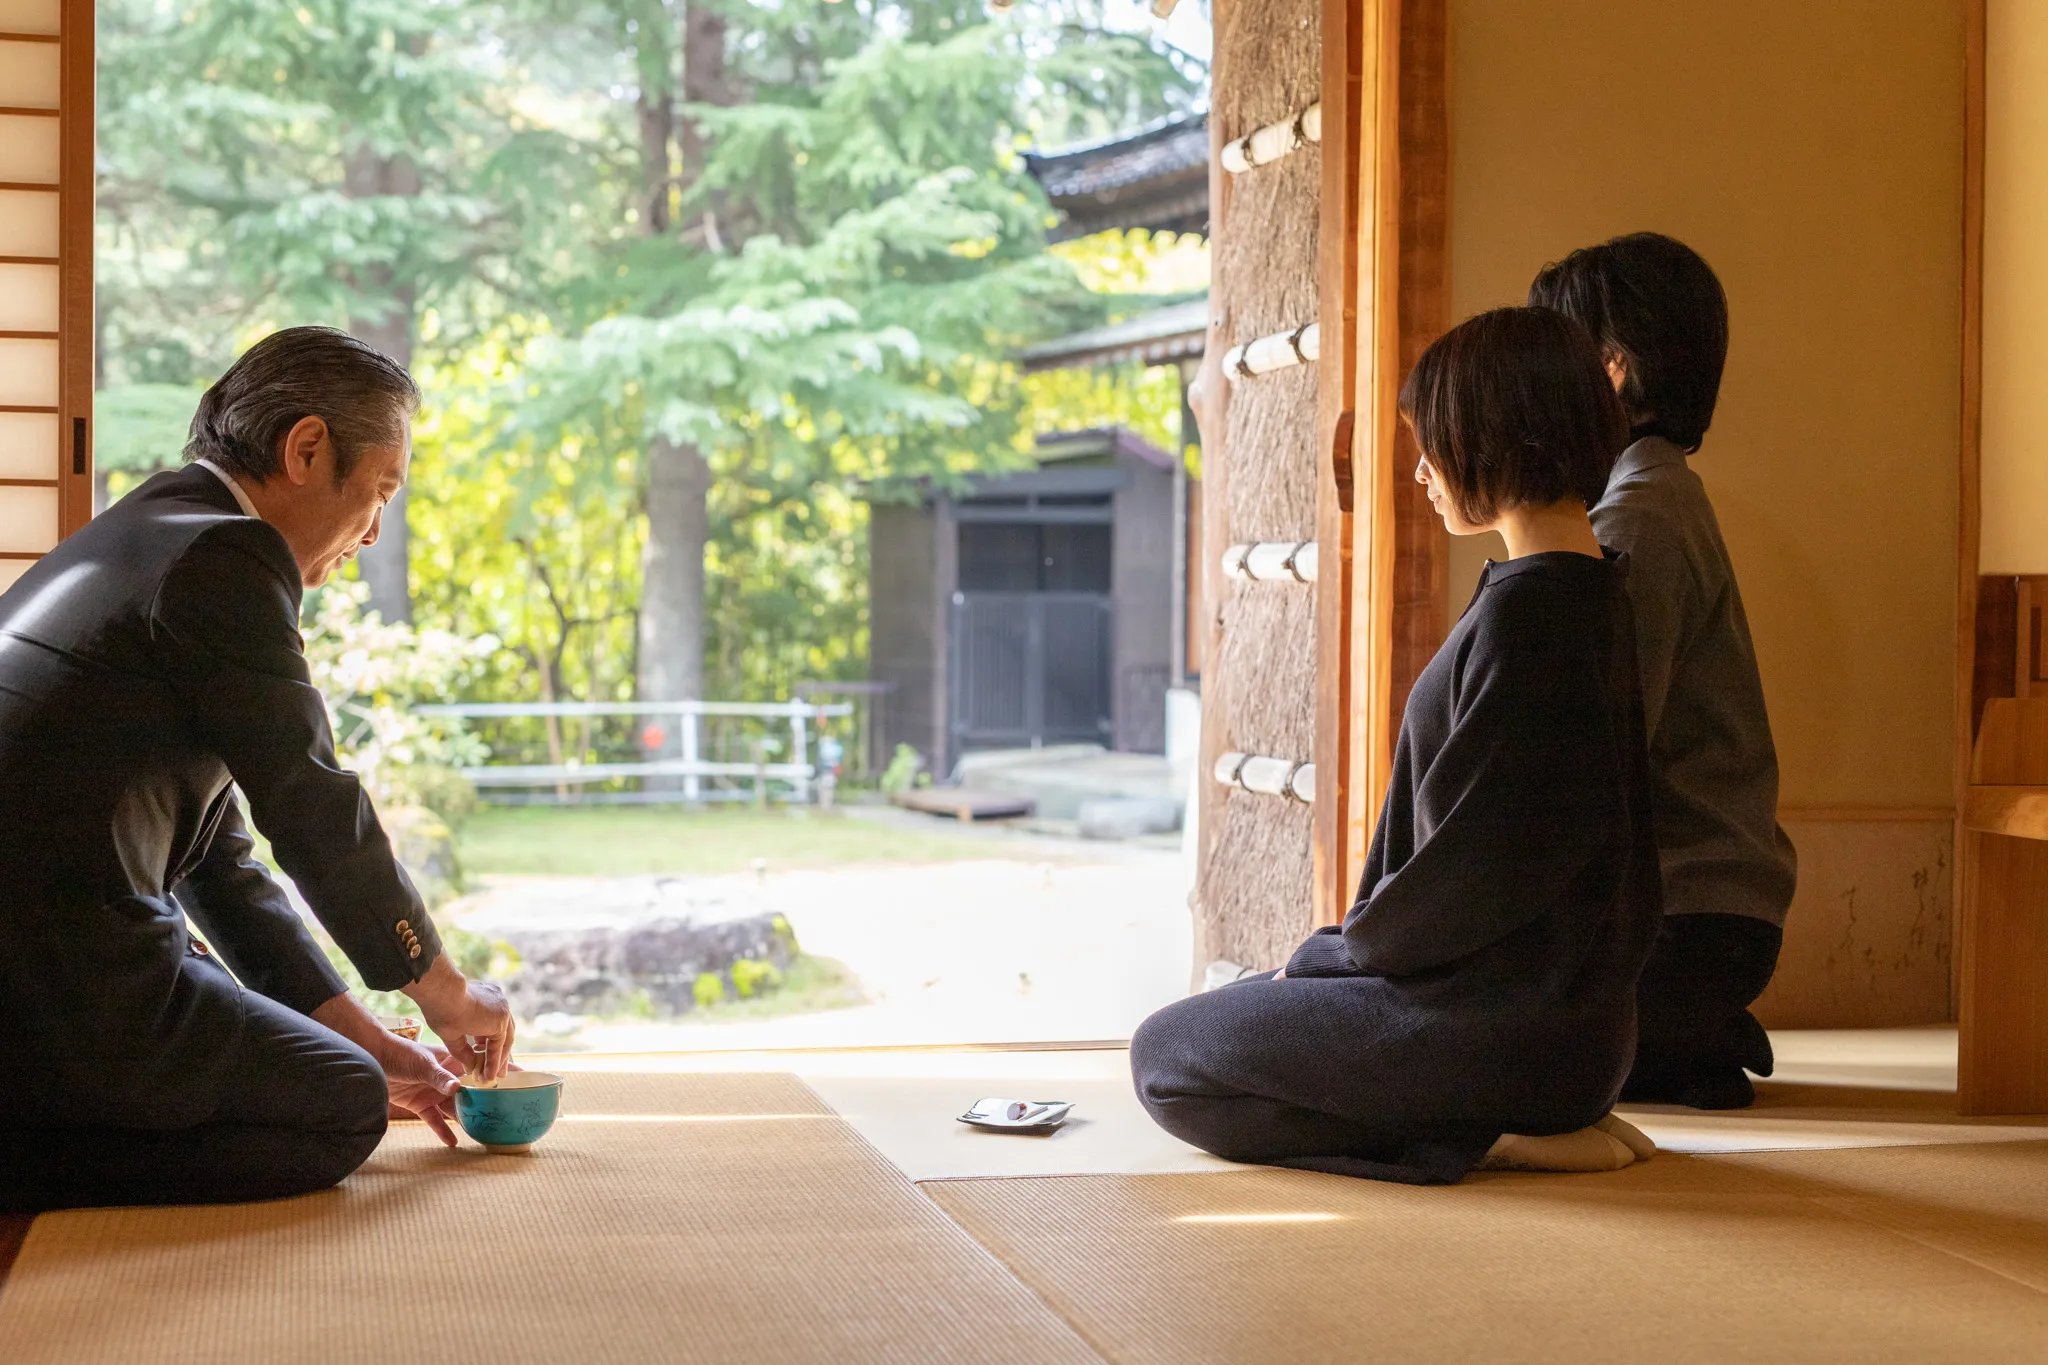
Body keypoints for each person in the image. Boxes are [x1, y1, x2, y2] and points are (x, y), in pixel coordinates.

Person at [1130, 307, 1662, 1184]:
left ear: (1501, 437)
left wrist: (1331, 954)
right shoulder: (1588, 594)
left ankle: (1487, 1134)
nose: (1420, 470)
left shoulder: (1535, 619)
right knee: (1234, 1019)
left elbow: (1474, 876)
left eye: (1435, 443)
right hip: (1569, 1027)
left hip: (1508, 1033)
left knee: (1170, 1056)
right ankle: (1505, 1118)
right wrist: (1336, 958)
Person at [0, 326, 515, 1213]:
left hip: (43, 962)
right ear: (308, 448)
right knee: (340, 1110)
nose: (373, 530)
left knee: (349, 1070)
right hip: (62, 987)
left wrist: (365, 1034)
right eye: (380, 490)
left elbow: (218, 859)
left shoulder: (152, 530)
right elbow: (311, 801)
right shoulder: (226, 559)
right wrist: (442, 988)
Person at [1530, 233, 1797, 1110]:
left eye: (1552, 356)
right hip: (1704, 922)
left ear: (1610, 371)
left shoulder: (1636, 517)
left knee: (1488, 1041)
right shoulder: (1651, 492)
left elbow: (1600, 753)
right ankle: (1683, 1033)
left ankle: (1676, 1029)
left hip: (1685, 921)